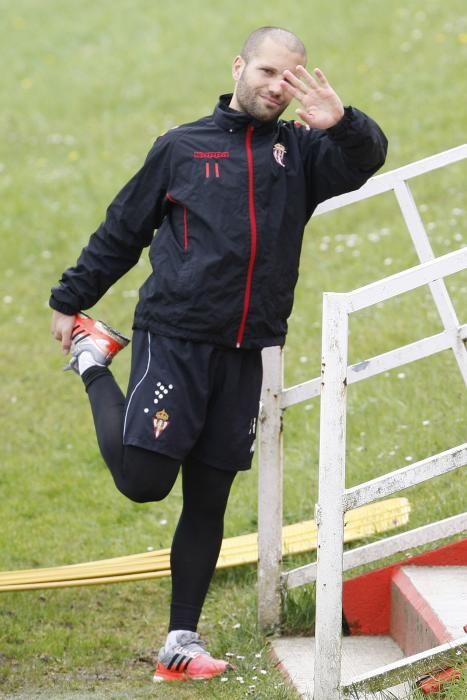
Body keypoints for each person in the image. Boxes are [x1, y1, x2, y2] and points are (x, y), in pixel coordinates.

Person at [50, 26, 388, 682]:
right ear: (238, 66)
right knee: (144, 483)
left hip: (247, 349)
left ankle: (180, 642)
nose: (273, 86)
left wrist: (343, 123)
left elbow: (365, 159)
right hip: (173, 339)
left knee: (208, 499)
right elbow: (124, 228)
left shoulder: (303, 153)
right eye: (264, 71)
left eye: (287, 78)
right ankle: (95, 359)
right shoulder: (181, 147)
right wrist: (72, 298)